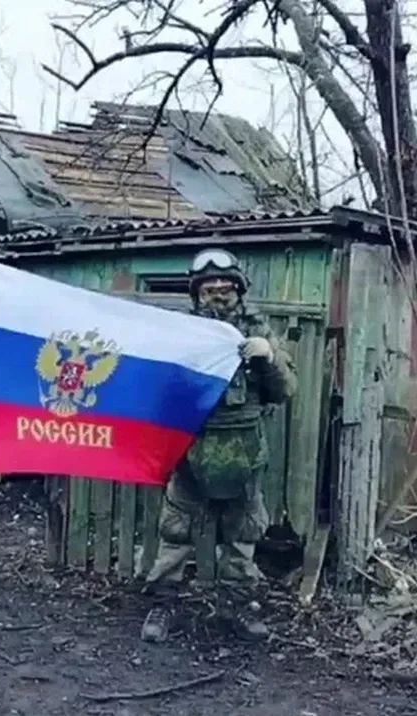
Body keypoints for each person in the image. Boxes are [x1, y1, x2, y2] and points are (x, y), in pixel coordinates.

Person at [139, 247, 297, 643]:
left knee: (242, 535)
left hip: (244, 452)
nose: (218, 296)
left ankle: (237, 607)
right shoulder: (184, 332)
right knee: (176, 532)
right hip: (193, 449)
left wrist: (269, 357)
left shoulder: (259, 332)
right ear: (196, 294)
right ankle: (163, 605)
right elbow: (159, 389)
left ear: (239, 291)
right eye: (209, 290)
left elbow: (285, 391)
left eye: (225, 289)